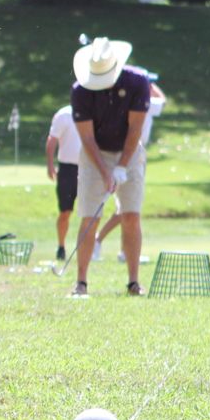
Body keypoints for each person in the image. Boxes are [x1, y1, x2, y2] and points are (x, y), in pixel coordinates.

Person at [69, 36, 151, 297]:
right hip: (96, 154)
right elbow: (87, 138)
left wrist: (122, 167)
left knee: (131, 215)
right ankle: (81, 282)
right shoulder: (81, 91)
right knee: (90, 216)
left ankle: (133, 282)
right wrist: (105, 172)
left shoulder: (138, 83)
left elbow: (135, 129)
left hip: (130, 151)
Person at [94, 77, 166, 262]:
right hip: (130, 155)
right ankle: (99, 241)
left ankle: (124, 251)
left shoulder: (140, 100)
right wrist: (150, 84)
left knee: (128, 208)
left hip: (136, 154)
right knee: (126, 208)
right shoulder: (144, 101)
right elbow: (163, 100)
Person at [44, 103, 81, 262]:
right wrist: (50, 165)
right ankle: (61, 246)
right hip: (67, 169)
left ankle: (86, 248)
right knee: (65, 211)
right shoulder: (64, 114)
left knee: (90, 212)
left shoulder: (95, 110)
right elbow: (52, 139)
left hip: (89, 168)